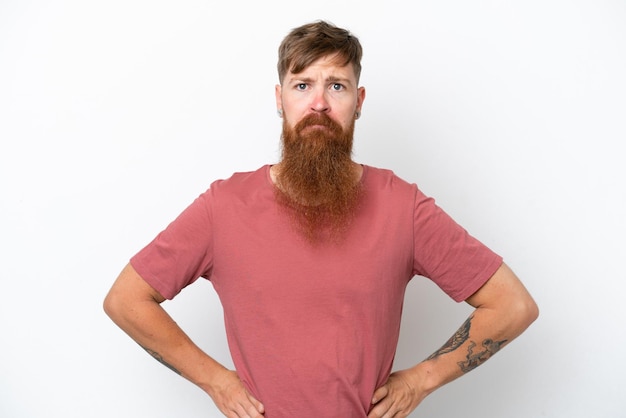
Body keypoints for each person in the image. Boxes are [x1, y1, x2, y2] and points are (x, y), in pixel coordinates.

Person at [103, 20, 538, 418]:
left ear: (359, 101)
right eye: (302, 85)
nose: (318, 103)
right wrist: (215, 381)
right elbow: (126, 300)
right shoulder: (224, 207)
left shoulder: (402, 208)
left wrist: (422, 379)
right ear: (279, 99)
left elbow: (512, 306)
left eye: (336, 86)